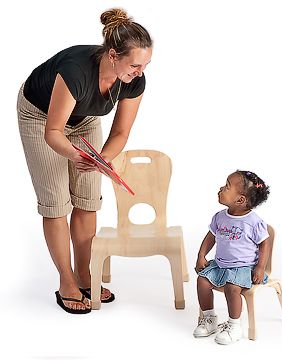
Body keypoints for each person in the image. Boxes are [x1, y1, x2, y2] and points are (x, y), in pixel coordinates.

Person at [17, 8, 153, 314]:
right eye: (134, 65)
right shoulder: (76, 70)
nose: (140, 72)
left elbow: (120, 132)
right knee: (56, 201)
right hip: (40, 117)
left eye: (145, 65)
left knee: (88, 199)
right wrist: (79, 156)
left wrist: (101, 159)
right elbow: (53, 132)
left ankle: (84, 274)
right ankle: (66, 280)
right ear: (113, 55)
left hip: (84, 117)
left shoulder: (133, 80)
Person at [193, 170, 270, 344]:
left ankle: (234, 325)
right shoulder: (220, 217)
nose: (221, 188)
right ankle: (209, 319)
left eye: (227, 186)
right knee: (202, 281)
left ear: (240, 200)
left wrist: (260, 267)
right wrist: (201, 255)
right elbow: (211, 236)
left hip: (243, 267)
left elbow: (265, 243)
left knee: (231, 288)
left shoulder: (253, 222)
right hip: (221, 264)